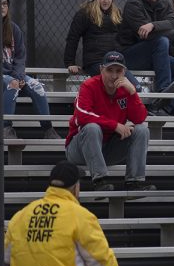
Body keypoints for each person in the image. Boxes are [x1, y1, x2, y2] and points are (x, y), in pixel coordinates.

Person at [65, 51, 155, 191]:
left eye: (118, 71)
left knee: (142, 130)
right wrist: (115, 125)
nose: (114, 76)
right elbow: (82, 116)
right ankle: (100, 181)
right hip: (79, 150)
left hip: (109, 150)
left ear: (124, 72)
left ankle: (134, 183)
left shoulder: (126, 89)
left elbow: (139, 118)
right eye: (109, 70)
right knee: (92, 128)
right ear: (101, 69)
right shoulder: (88, 86)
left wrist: (132, 93)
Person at [1, 0, 60, 140]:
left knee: (37, 86)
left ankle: (48, 130)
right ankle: (6, 128)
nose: (1, 7)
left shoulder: (14, 29)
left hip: (13, 74)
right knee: (11, 84)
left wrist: (19, 76)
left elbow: (20, 57)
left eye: (4, 4)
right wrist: (13, 78)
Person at [63, 0, 139, 89]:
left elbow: (126, 36)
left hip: (116, 61)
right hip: (96, 62)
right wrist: (70, 62)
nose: (106, 1)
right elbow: (73, 38)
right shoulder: (85, 14)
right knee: (120, 88)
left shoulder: (117, 13)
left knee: (135, 87)